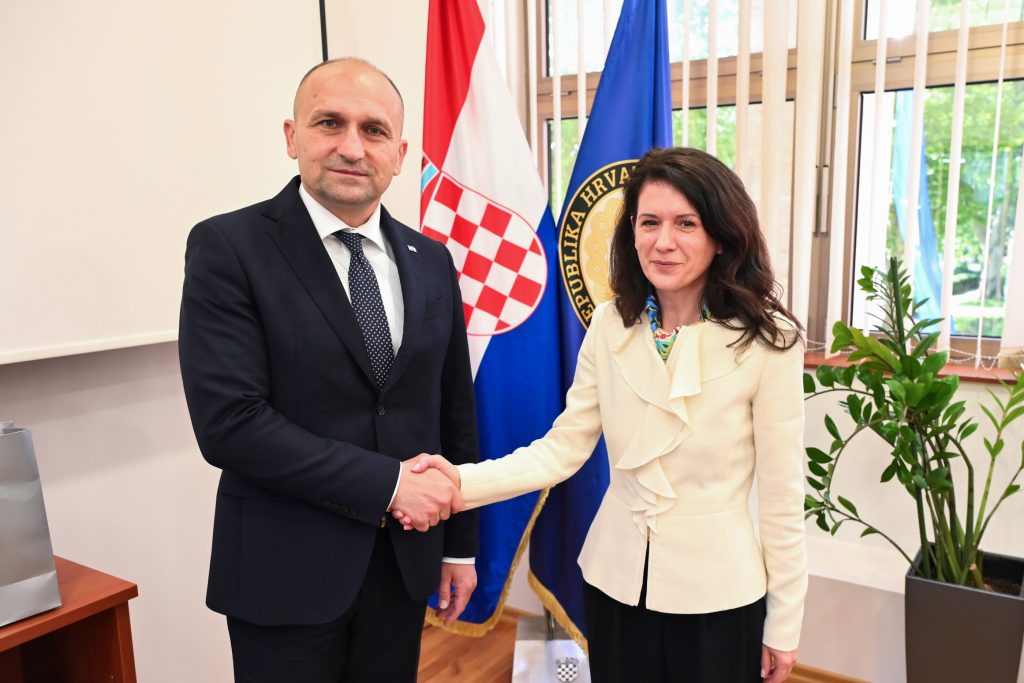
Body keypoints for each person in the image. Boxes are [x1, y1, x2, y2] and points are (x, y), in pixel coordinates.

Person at [399, 147, 807, 682]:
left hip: (719, 593)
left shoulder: (769, 341)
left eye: (686, 223)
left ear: (722, 235)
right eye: (649, 222)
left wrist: (785, 623)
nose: (663, 241)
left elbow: (782, 496)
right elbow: (562, 449)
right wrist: (458, 483)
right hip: (616, 580)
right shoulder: (611, 323)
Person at [178, 57, 479, 683]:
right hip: (284, 574)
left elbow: (453, 410)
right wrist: (391, 485)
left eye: (374, 130)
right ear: (292, 137)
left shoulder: (432, 260)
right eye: (329, 123)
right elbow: (231, 424)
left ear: (399, 155)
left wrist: (460, 546)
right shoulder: (228, 247)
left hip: (403, 567)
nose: (351, 147)